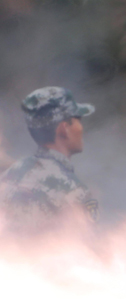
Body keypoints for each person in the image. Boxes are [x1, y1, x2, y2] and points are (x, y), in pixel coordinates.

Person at [0, 87, 98, 230]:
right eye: (78, 120)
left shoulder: (11, 174)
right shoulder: (73, 189)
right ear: (64, 129)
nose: (81, 127)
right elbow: (84, 243)